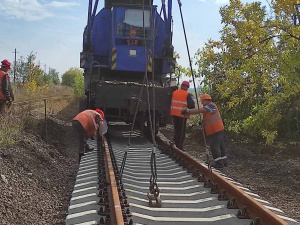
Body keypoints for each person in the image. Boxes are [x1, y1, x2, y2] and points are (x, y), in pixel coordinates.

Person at [181, 94, 227, 168]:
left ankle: (219, 163)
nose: (202, 103)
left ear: (206, 100)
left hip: (214, 130)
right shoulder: (212, 106)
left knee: (214, 147)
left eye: (202, 101)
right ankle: (224, 161)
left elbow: (199, 110)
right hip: (218, 129)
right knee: (221, 146)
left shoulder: (210, 106)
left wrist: (188, 111)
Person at [170, 81, 195, 150]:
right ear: (187, 87)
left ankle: (176, 143)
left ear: (181, 85)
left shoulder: (174, 93)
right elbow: (192, 105)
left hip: (174, 114)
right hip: (182, 115)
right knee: (181, 131)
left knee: (176, 129)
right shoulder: (187, 94)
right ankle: (179, 146)